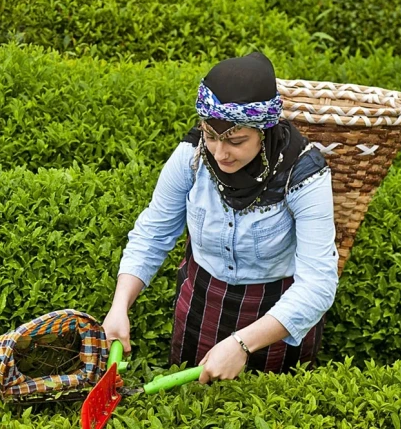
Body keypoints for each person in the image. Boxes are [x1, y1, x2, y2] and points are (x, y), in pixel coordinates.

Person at [102, 52, 339, 385]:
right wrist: (119, 306)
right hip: (202, 304)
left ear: (264, 131)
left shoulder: (303, 175)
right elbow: (152, 234)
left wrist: (243, 344)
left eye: (236, 141)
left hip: (275, 315)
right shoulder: (191, 157)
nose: (220, 153)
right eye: (211, 136)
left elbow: (318, 284)